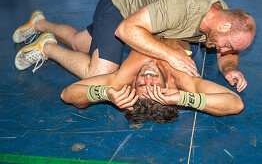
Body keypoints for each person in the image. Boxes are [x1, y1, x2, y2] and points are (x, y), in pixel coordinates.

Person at [13, 0, 256, 93]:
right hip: (121, 8)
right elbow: (125, 31)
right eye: (228, 45)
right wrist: (172, 55)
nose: (224, 50)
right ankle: (47, 47)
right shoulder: (179, 7)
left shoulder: (220, 14)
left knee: (79, 43)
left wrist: (231, 70)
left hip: (145, 17)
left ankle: (39, 23)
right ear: (224, 25)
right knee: (97, 74)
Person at [60, 36, 244, 123]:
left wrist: (105, 92)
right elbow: (235, 103)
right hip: (188, 33)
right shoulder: (182, 80)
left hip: (150, 19)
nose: (147, 77)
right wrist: (183, 98)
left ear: (132, 85)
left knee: (78, 41)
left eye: (141, 84)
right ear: (169, 86)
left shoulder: (122, 79)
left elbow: (67, 94)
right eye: (154, 84)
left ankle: (43, 33)